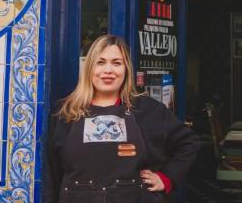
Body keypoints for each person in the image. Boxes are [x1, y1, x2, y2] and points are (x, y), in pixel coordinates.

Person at [48, 35, 199, 202]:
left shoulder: (149, 110)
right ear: (89, 68)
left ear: (126, 69)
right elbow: (51, 172)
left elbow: (189, 143)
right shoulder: (65, 112)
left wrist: (166, 178)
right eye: (101, 62)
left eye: (117, 63)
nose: (108, 70)